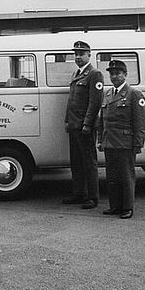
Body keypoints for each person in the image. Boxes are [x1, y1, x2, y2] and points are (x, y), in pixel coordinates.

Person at [97, 60, 145, 219]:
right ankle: (115, 206)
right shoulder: (107, 94)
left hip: (125, 142)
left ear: (125, 74)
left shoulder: (134, 94)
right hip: (110, 142)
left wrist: (138, 143)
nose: (114, 76)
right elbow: (102, 120)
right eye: (112, 74)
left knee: (126, 175)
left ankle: (127, 207)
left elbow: (141, 122)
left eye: (118, 73)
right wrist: (100, 140)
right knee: (112, 176)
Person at [63, 40, 105, 209]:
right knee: (76, 162)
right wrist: (67, 121)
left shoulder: (94, 74)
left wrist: (88, 124)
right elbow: (71, 101)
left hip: (84, 127)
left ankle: (93, 198)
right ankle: (79, 194)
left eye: (81, 54)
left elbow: (95, 103)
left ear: (89, 55)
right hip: (74, 125)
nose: (78, 57)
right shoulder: (76, 74)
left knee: (89, 162)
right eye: (76, 54)